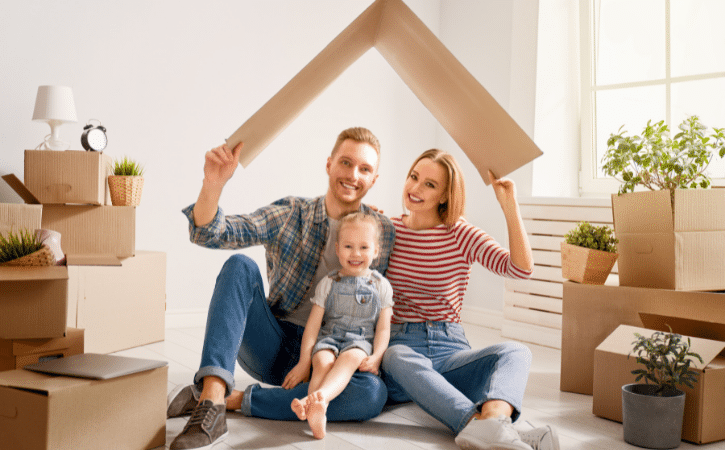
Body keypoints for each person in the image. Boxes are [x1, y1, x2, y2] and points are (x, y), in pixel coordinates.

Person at [168, 127, 395, 450]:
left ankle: (232, 399)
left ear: (374, 180)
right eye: (345, 162)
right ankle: (212, 401)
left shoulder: (383, 230)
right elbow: (212, 233)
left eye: (365, 169)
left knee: (373, 395)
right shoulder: (293, 213)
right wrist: (213, 184)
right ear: (329, 164)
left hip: (336, 355)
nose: (353, 175)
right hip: (275, 346)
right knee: (240, 266)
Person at [381, 149, 560, 450]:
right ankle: (492, 430)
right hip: (402, 349)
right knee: (394, 356)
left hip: (450, 349)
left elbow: (520, 269)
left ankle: (493, 422)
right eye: (414, 177)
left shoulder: (459, 233)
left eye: (429, 184)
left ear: (444, 196)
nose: (415, 188)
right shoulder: (388, 230)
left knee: (517, 351)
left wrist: (509, 206)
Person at [285, 211, 393, 439]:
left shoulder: (381, 285)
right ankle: (318, 412)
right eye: (348, 246)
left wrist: (378, 356)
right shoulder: (329, 283)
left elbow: (383, 328)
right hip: (330, 337)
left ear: (376, 251)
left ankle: (314, 400)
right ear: (337, 249)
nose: (355, 253)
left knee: (349, 359)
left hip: (359, 340)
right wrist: (305, 361)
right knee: (322, 362)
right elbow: (313, 327)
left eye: (364, 247)